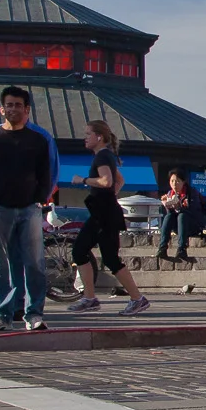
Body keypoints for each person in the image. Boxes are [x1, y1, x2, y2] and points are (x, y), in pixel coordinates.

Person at [0, 87, 55, 332]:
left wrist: (40, 199)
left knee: (35, 264)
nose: (13, 109)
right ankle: (1, 315)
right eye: (9, 105)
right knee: (2, 265)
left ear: (27, 109)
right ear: (2, 109)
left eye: (18, 105)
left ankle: (34, 313)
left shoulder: (38, 140)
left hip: (29, 208)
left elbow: (45, 174)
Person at [64, 119, 149, 316]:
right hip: (103, 211)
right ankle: (91, 298)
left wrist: (82, 180)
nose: (85, 138)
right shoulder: (106, 156)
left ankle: (135, 299)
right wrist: (110, 195)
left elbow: (106, 180)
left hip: (104, 214)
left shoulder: (102, 157)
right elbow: (119, 180)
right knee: (87, 252)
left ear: (99, 137)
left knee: (93, 254)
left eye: (88, 134)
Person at [157, 170, 205, 264]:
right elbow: (171, 215)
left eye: (178, 181)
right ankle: (162, 248)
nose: (174, 184)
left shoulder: (192, 193)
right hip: (179, 227)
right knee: (169, 216)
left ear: (183, 182)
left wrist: (180, 208)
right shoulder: (170, 193)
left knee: (182, 216)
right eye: (172, 181)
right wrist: (167, 205)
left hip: (193, 225)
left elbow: (195, 212)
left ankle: (182, 249)